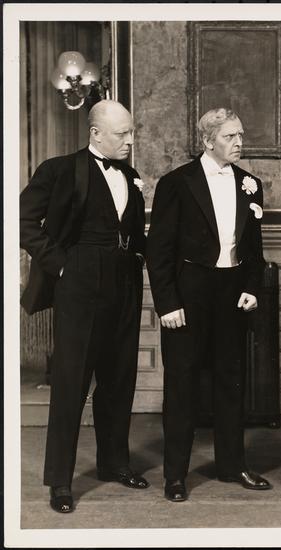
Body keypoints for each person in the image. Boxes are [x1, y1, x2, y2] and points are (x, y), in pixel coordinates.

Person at [20, 100, 149, 513]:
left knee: (119, 378)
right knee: (71, 383)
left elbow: (133, 232)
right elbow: (21, 219)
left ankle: (114, 464)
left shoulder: (130, 174)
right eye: (122, 134)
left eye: (130, 132)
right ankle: (60, 480)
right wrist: (60, 266)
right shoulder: (59, 170)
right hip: (79, 284)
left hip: (125, 284)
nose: (130, 141)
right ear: (95, 133)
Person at [146, 108, 272, 502]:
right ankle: (175, 475)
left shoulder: (251, 184)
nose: (239, 142)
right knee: (181, 385)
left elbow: (254, 248)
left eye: (241, 135)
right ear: (207, 141)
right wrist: (167, 303)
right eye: (230, 136)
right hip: (188, 296)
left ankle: (232, 466)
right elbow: (158, 250)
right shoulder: (176, 183)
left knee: (231, 383)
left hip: (232, 295)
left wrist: (252, 286)